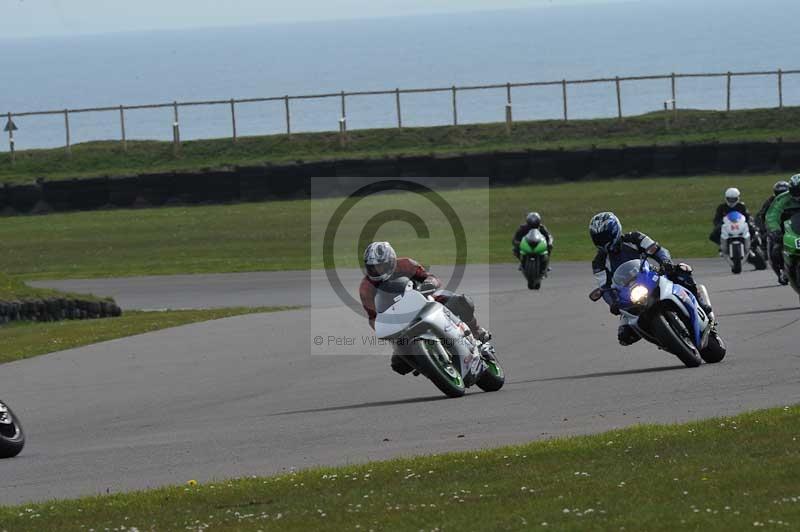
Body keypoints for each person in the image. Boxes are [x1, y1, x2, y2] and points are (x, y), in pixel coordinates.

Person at [359, 241, 492, 375]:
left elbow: (431, 277)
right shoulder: (366, 287)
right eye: (373, 267)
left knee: (462, 302)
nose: (377, 270)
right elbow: (373, 317)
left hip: (424, 300)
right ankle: (430, 364)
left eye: (381, 266)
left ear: (391, 261)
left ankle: (476, 332)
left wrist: (429, 284)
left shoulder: (406, 264)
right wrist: (382, 328)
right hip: (400, 322)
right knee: (399, 365)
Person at [589, 212, 716, 346]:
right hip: (627, 294)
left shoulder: (634, 238)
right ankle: (663, 338)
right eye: (599, 238)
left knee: (681, 271)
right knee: (624, 336)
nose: (603, 241)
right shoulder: (599, 263)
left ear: (615, 231)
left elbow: (657, 250)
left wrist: (665, 262)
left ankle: (702, 305)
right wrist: (612, 302)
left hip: (651, 276)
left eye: (605, 236)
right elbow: (604, 286)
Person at [765, 174, 800, 285]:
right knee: (776, 250)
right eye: (795, 191)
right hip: (787, 231)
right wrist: (775, 230)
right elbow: (772, 215)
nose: (797, 194)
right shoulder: (782, 198)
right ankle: (783, 270)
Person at [756, 180, 790, 279]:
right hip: (777, 228)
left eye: (784, 193)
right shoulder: (770, 201)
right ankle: (779, 271)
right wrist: (763, 227)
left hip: (791, 227)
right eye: (779, 193)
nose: (781, 195)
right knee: (774, 250)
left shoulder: (792, 199)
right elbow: (762, 215)